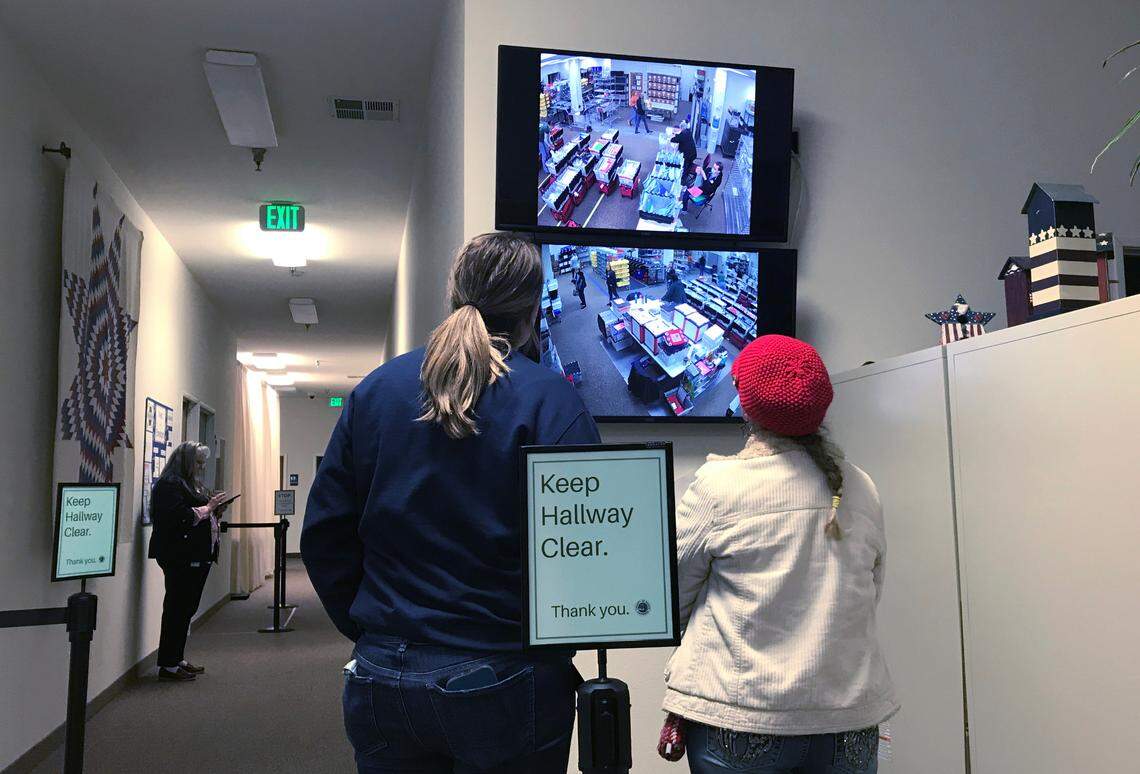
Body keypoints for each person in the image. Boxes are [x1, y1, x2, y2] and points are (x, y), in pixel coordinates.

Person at [302, 232, 601, 774]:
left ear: (452, 293)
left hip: (383, 675)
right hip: (505, 675)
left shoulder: (377, 391)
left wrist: (375, 629)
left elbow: (324, 532)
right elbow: (584, 553)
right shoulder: (551, 400)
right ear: (533, 307)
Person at [660, 335, 898, 774]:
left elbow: (669, 595)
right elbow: (868, 591)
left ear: (746, 404)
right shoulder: (860, 485)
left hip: (741, 718)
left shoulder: (719, 487)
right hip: (846, 723)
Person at [147, 442, 230, 682]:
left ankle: (177, 658)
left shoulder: (188, 484)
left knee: (186, 609)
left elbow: (198, 512)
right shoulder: (169, 485)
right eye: (198, 463)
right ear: (186, 462)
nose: (201, 468)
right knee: (177, 609)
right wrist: (209, 507)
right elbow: (180, 517)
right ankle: (168, 665)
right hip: (180, 556)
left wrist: (215, 510)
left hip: (196, 554)